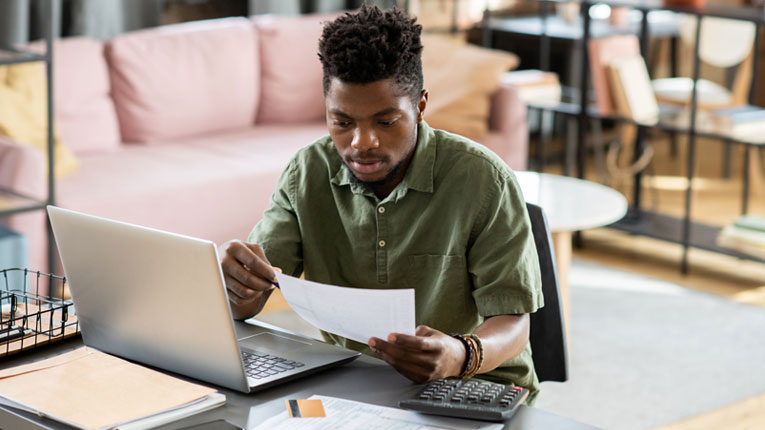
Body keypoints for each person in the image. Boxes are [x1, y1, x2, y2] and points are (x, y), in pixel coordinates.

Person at [220, 4, 543, 400]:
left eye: (386, 122)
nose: (361, 143)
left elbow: (513, 323)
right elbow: (250, 300)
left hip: (476, 384)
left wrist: (459, 355)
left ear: (420, 106)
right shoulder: (306, 174)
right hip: (358, 386)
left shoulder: (483, 180)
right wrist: (236, 285)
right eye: (342, 122)